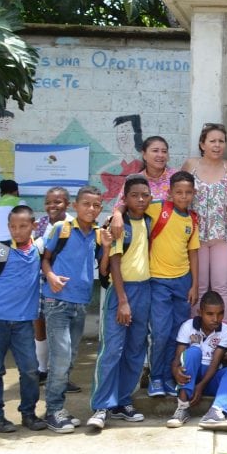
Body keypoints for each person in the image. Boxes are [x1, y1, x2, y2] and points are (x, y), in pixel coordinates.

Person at [109, 171, 200, 397]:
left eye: (188, 192)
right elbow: (129, 205)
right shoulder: (158, 208)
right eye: (178, 192)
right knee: (159, 332)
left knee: (177, 334)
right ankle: (156, 377)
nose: (184, 196)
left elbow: (193, 253)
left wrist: (195, 284)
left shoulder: (193, 219)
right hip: (158, 282)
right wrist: (117, 215)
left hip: (183, 282)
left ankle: (170, 377)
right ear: (169, 193)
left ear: (194, 194)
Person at [39, 186, 111, 433]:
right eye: (86, 204)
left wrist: (108, 247)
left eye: (96, 205)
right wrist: (51, 277)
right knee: (59, 358)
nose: (91, 209)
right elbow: (45, 259)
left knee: (69, 358)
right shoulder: (62, 229)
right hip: (57, 301)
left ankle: (58, 408)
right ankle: (52, 411)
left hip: (80, 303)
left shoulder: (99, 235)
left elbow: (103, 271)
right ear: (75, 206)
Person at [87, 176, 152, 431]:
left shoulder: (148, 219)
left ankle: (123, 401)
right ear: (125, 198)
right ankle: (102, 405)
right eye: (134, 195)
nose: (141, 199)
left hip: (144, 289)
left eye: (145, 195)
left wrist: (118, 210)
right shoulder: (118, 224)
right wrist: (123, 301)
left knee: (135, 350)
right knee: (112, 349)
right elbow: (114, 262)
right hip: (121, 292)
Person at [0, 205, 45, 432]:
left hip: (24, 323)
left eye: (23, 226)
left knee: (30, 370)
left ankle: (29, 413)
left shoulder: (38, 250)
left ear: (33, 226)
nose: (17, 231)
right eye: (13, 227)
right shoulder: (0, 250)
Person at [182, 122, 227, 318]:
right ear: (202, 144)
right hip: (196, 238)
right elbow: (179, 195)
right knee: (200, 286)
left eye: (221, 141)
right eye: (212, 141)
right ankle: (196, 331)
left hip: (223, 237)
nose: (217, 145)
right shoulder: (191, 165)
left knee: (223, 287)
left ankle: (223, 334)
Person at [167, 291, 227, 432]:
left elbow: (215, 362)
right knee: (194, 352)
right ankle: (182, 407)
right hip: (191, 373)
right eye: (210, 314)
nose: (216, 319)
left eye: (220, 314)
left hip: (210, 377)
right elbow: (177, 359)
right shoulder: (188, 326)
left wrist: (200, 386)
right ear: (200, 312)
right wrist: (176, 371)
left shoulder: (226, 330)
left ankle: (216, 412)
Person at [32, 187, 72, 383]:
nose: (52, 206)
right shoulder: (40, 224)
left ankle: (62, 375)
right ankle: (42, 368)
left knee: (61, 331)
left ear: (67, 203)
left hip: (64, 282)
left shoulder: (73, 224)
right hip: (41, 279)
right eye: (48, 202)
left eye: (57, 202)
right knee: (39, 322)